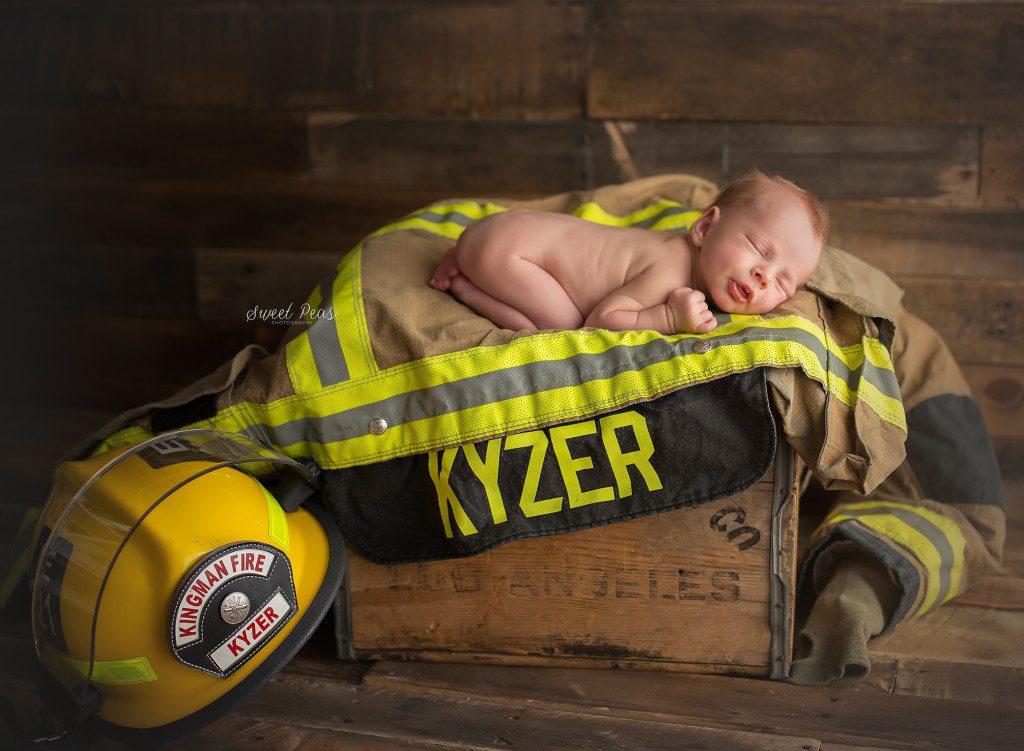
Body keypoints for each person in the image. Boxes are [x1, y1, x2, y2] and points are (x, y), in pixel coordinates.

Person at [429, 172, 828, 334]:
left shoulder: (686, 259)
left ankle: (467, 251)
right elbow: (602, 320)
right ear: (705, 227)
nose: (763, 275)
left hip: (502, 231)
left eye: (782, 282)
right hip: (510, 251)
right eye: (759, 249)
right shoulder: (670, 270)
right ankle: (468, 285)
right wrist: (667, 318)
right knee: (565, 326)